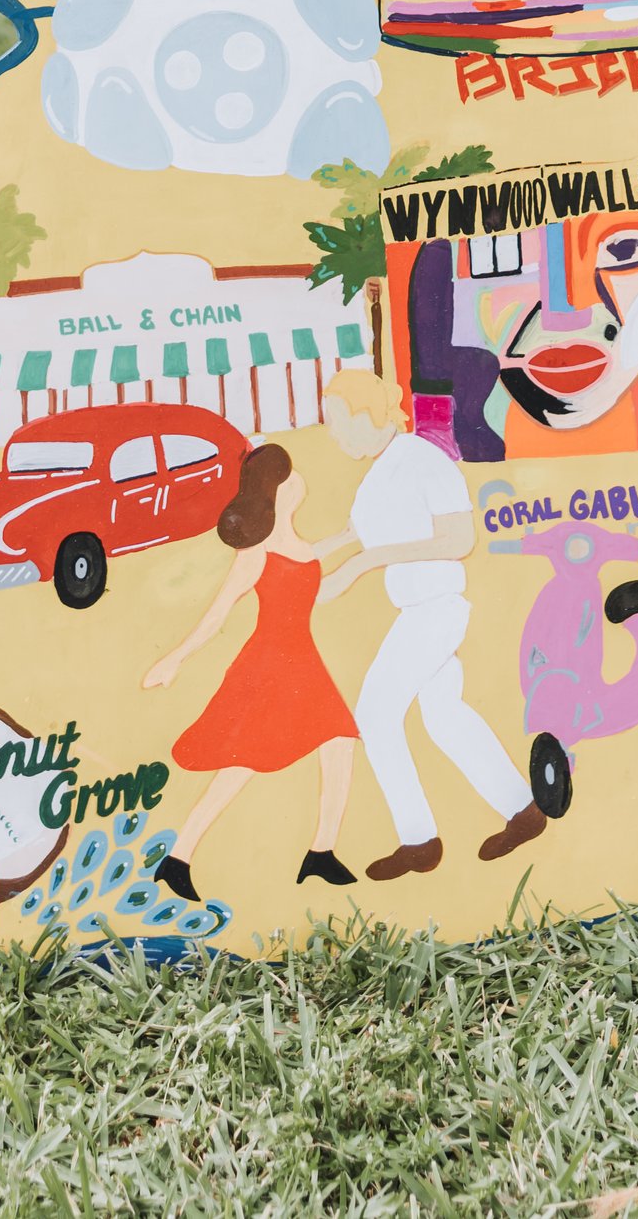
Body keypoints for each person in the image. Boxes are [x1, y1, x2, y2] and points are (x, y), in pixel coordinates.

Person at [311, 362, 545, 880]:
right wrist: (304, 563)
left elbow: (459, 540)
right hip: (418, 610)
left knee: (374, 715)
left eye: (338, 420)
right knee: (444, 716)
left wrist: (368, 563)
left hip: (436, 610)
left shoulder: (422, 460)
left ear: (367, 414)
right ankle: (522, 809)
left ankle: (419, 841)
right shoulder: (378, 472)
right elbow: (353, 532)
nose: (333, 434)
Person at [143, 441, 360, 899]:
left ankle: (321, 850)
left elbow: (311, 572)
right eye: (290, 476)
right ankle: (178, 856)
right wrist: (175, 657)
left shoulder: (298, 543)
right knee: (242, 762)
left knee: (340, 739)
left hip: (301, 660)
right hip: (268, 663)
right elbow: (217, 614)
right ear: (276, 490)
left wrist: (349, 540)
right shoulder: (255, 553)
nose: (299, 480)